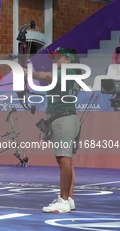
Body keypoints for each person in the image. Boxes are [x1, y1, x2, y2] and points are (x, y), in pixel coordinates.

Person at [25, 47, 81, 213]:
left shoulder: (67, 71)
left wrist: (29, 73)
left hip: (63, 120)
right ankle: (68, 199)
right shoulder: (71, 74)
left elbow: (47, 76)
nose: (54, 60)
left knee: (64, 160)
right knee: (66, 160)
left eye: (59, 58)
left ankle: (63, 201)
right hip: (66, 119)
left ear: (68, 60)